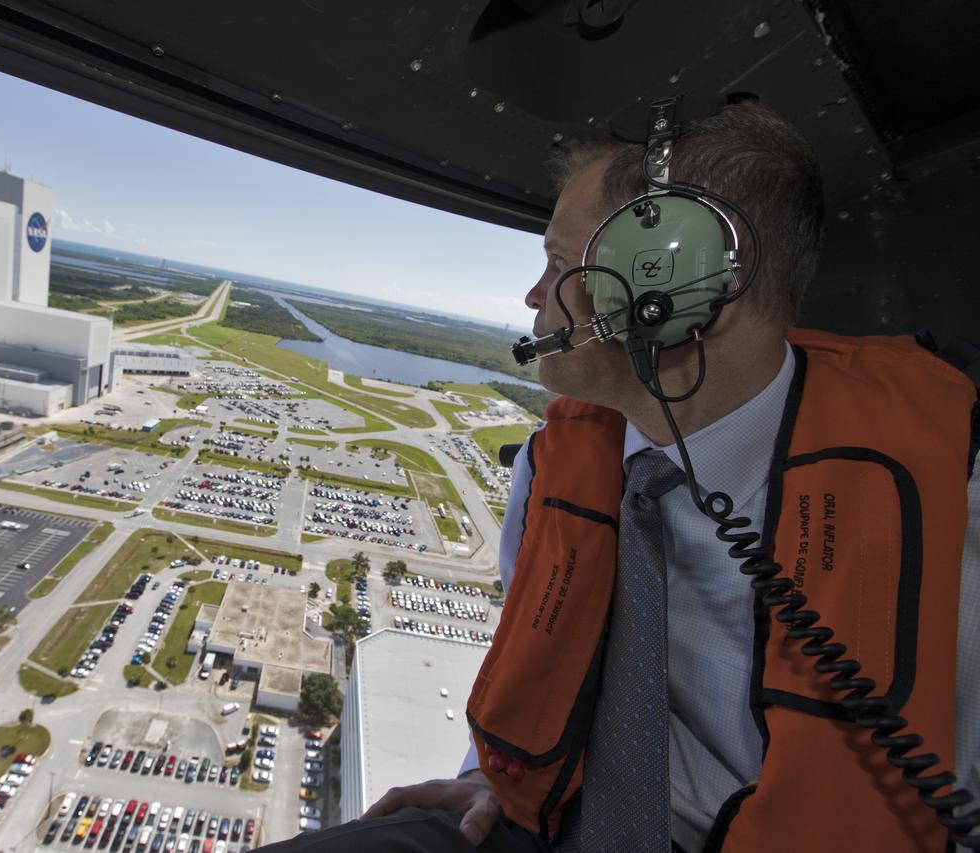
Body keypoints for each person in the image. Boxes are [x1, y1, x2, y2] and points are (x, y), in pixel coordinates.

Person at [259, 101, 979, 852]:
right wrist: (489, 773)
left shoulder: (950, 512)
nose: (533, 297)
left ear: (673, 289)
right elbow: (536, 658)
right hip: (550, 817)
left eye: (561, 265)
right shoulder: (552, 464)